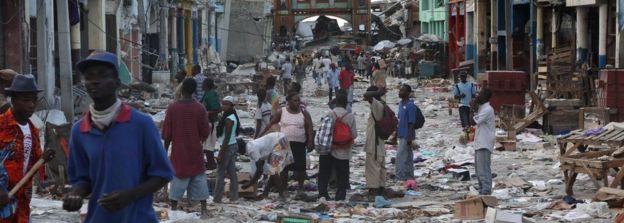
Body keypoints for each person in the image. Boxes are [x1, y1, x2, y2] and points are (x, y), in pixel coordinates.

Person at [64, 51, 174, 222]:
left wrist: (129, 196)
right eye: (89, 76)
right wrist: (75, 195)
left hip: (137, 218)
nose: (94, 81)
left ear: (117, 83)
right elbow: (82, 179)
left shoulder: (140, 124)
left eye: (102, 75)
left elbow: (162, 174)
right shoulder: (80, 131)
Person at [0, 74, 55, 223]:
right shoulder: (2, 125)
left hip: (22, 201)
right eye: (26, 100)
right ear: (14, 100)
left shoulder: (33, 131)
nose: (31, 105)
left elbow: (34, 162)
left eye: (34, 100)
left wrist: (44, 158)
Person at [161, 78, 210, 217]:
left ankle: (174, 212)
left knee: (177, 183)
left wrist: (164, 152)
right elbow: (205, 131)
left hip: (179, 153)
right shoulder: (200, 108)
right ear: (195, 90)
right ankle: (204, 211)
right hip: (195, 151)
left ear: (182, 89)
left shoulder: (172, 108)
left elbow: (167, 134)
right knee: (199, 179)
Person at [259, 92, 314, 200]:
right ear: (288, 102)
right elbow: (271, 124)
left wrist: (310, 141)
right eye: (295, 100)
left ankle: (300, 189)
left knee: (301, 167)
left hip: (299, 144)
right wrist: (260, 136)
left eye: (298, 100)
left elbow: (309, 127)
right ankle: (283, 189)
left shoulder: (304, 113)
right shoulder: (282, 112)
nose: (297, 102)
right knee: (284, 168)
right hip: (284, 144)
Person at [317, 92, 356, 201]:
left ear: (336, 102)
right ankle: (340, 195)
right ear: (346, 103)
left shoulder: (329, 114)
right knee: (342, 174)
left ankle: (323, 194)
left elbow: (322, 131)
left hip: (328, 148)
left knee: (324, 172)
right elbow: (354, 134)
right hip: (343, 150)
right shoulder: (350, 116)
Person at [241, 132, 293, 200]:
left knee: (274, 171)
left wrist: (250, 183)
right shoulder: (252, 144)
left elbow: (259, 170)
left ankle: (282, 195)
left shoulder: (251, 150)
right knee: (272, 170)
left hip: (278, 141)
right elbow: (261, 166)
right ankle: (265, 193)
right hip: (281, 137)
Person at [363, 86, 390, 203]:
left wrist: (376, 92)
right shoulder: (382, 104)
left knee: (373, 167)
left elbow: (366, 95)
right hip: (379, 143)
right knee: (380, 166)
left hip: (374, 143)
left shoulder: (377, 105)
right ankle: (381, 188)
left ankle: (373, 191)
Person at [213, 96, 241, 203]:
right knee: (232, 171)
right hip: (233, 145)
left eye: (226, 104)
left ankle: (217, 198)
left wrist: (220, 153)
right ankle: (234, 196)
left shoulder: (229, 120)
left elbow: (226, 138)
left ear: (231, 106)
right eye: (223, 103)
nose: (223, 106)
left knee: (220, 173)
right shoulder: (231, 116)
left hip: (227, 147)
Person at [471, 88, 495, 195]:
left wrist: (472, 107)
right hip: (480, 142)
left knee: (483, 169)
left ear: (485, 97)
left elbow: (473, 121)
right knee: (478, 169)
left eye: (480, 94)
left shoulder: (487, 109)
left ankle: (486, 190)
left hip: (484, 143)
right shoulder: (482, 108)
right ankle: (482, 189)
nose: (478, 96)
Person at [396, 84, 417, 181]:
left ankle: (401, 177)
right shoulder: (401, 104)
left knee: (401, 157)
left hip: (407, 134)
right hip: (401, 133)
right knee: (407, 157)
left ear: (408, 93)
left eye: (403, 91)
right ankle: (409, 177)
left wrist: (409, 136)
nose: (400, 92)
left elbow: (412, 122)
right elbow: (400, 119)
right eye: (400, 90)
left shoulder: (410, 105)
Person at [201, 78, 220, 170]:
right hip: (208, 122)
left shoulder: (211, 94)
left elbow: (217, 109)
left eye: (203, 84)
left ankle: (211, 164)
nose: (202, 85)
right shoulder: (207, 93)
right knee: (206, 145)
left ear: (207, 85)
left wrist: (207, 113)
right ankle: (210, 163)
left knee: (209, 146)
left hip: (211, 122)